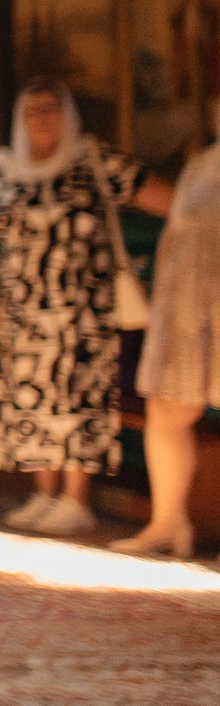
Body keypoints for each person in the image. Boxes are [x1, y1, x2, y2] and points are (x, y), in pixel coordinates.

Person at [0, 81, 175, 535]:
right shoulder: (4, 169)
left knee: (79, 397)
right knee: (30, 398)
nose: (43, 118)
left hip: (83, 311)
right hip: (23, 312)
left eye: (52, 108)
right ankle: (45, 493)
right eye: (32, 110)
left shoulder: (94, 160)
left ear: (69, 114)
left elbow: (166, 199)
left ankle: (76, 499)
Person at [113, 119, 220, 559]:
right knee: (166, 409)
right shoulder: (204, 164)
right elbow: (179, 235)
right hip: (187, 309)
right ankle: (168, 524)